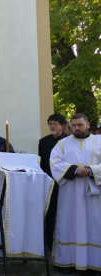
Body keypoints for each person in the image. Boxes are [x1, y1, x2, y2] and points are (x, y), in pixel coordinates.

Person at [50, 113, 101, 272]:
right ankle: (67, 261)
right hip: (70, 193)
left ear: (88, 124)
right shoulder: (62, 144)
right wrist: (74, 169)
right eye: (74, 125)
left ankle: (94, 263)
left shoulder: (99, 141)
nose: (77, 128)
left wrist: (90, 170)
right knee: (68, 223)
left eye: (80, 125)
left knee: (93, 225)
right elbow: (55, 162)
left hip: (92, 193)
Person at [38, 113, 68, 251]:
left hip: (66, 183)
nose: (52, 126)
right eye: (50, 123)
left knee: (66, 213)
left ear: (62, 126)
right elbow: (42, 163)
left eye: (55, 123)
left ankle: (66, 244)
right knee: (50, 214)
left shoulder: (69, 141)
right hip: (49, 182)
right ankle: (49, 244)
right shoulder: (43, 141)